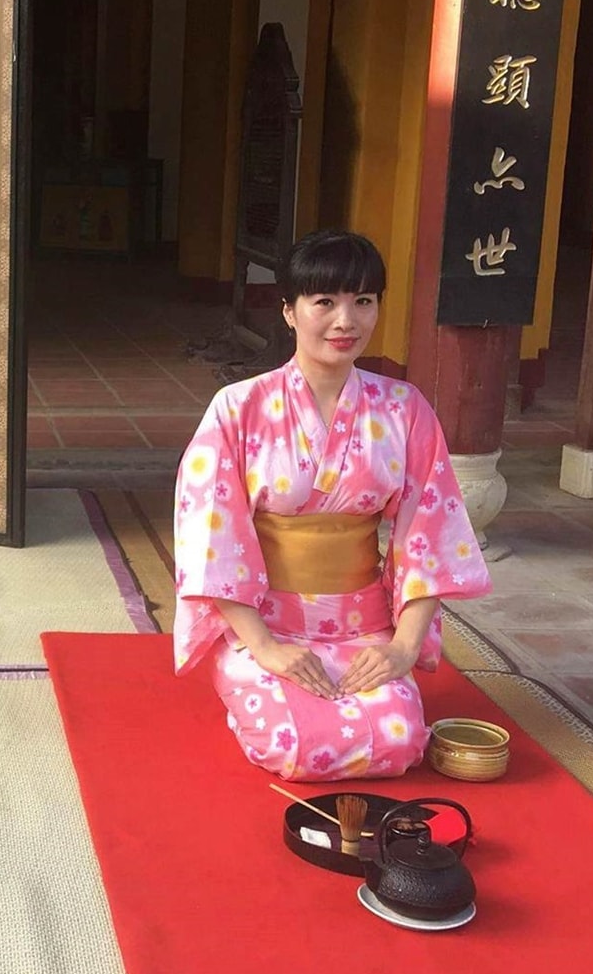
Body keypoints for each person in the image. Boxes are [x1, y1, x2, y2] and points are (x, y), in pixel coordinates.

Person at [173, 230, 492, 780]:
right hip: (268, 624)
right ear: (290, 312)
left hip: (363, 629)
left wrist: (402, 648)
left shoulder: (404, 408)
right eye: (325, 302)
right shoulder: (239, 407)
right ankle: (249, 682)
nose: (346, 321)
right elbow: (210, 538)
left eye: (362, 301)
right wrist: (266, 648)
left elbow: (432, 535)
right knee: (292, 746)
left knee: (399, 745)